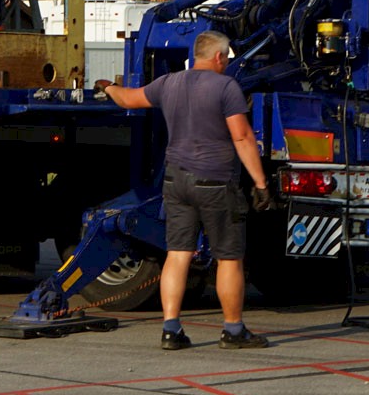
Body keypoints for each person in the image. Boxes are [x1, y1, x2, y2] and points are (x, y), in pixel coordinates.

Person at [100, 30, 272, 350]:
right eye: (226, 57)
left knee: (178, 255)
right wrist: (261, 183)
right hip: (216, 182)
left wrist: (108, 87)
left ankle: (171, 330)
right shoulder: (226, 87)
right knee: (229, 257)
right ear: (218, 57)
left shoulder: (169, 83)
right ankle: (233, 331)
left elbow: (129, 98)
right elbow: (242, 136)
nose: (227, 62)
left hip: (176, 181)